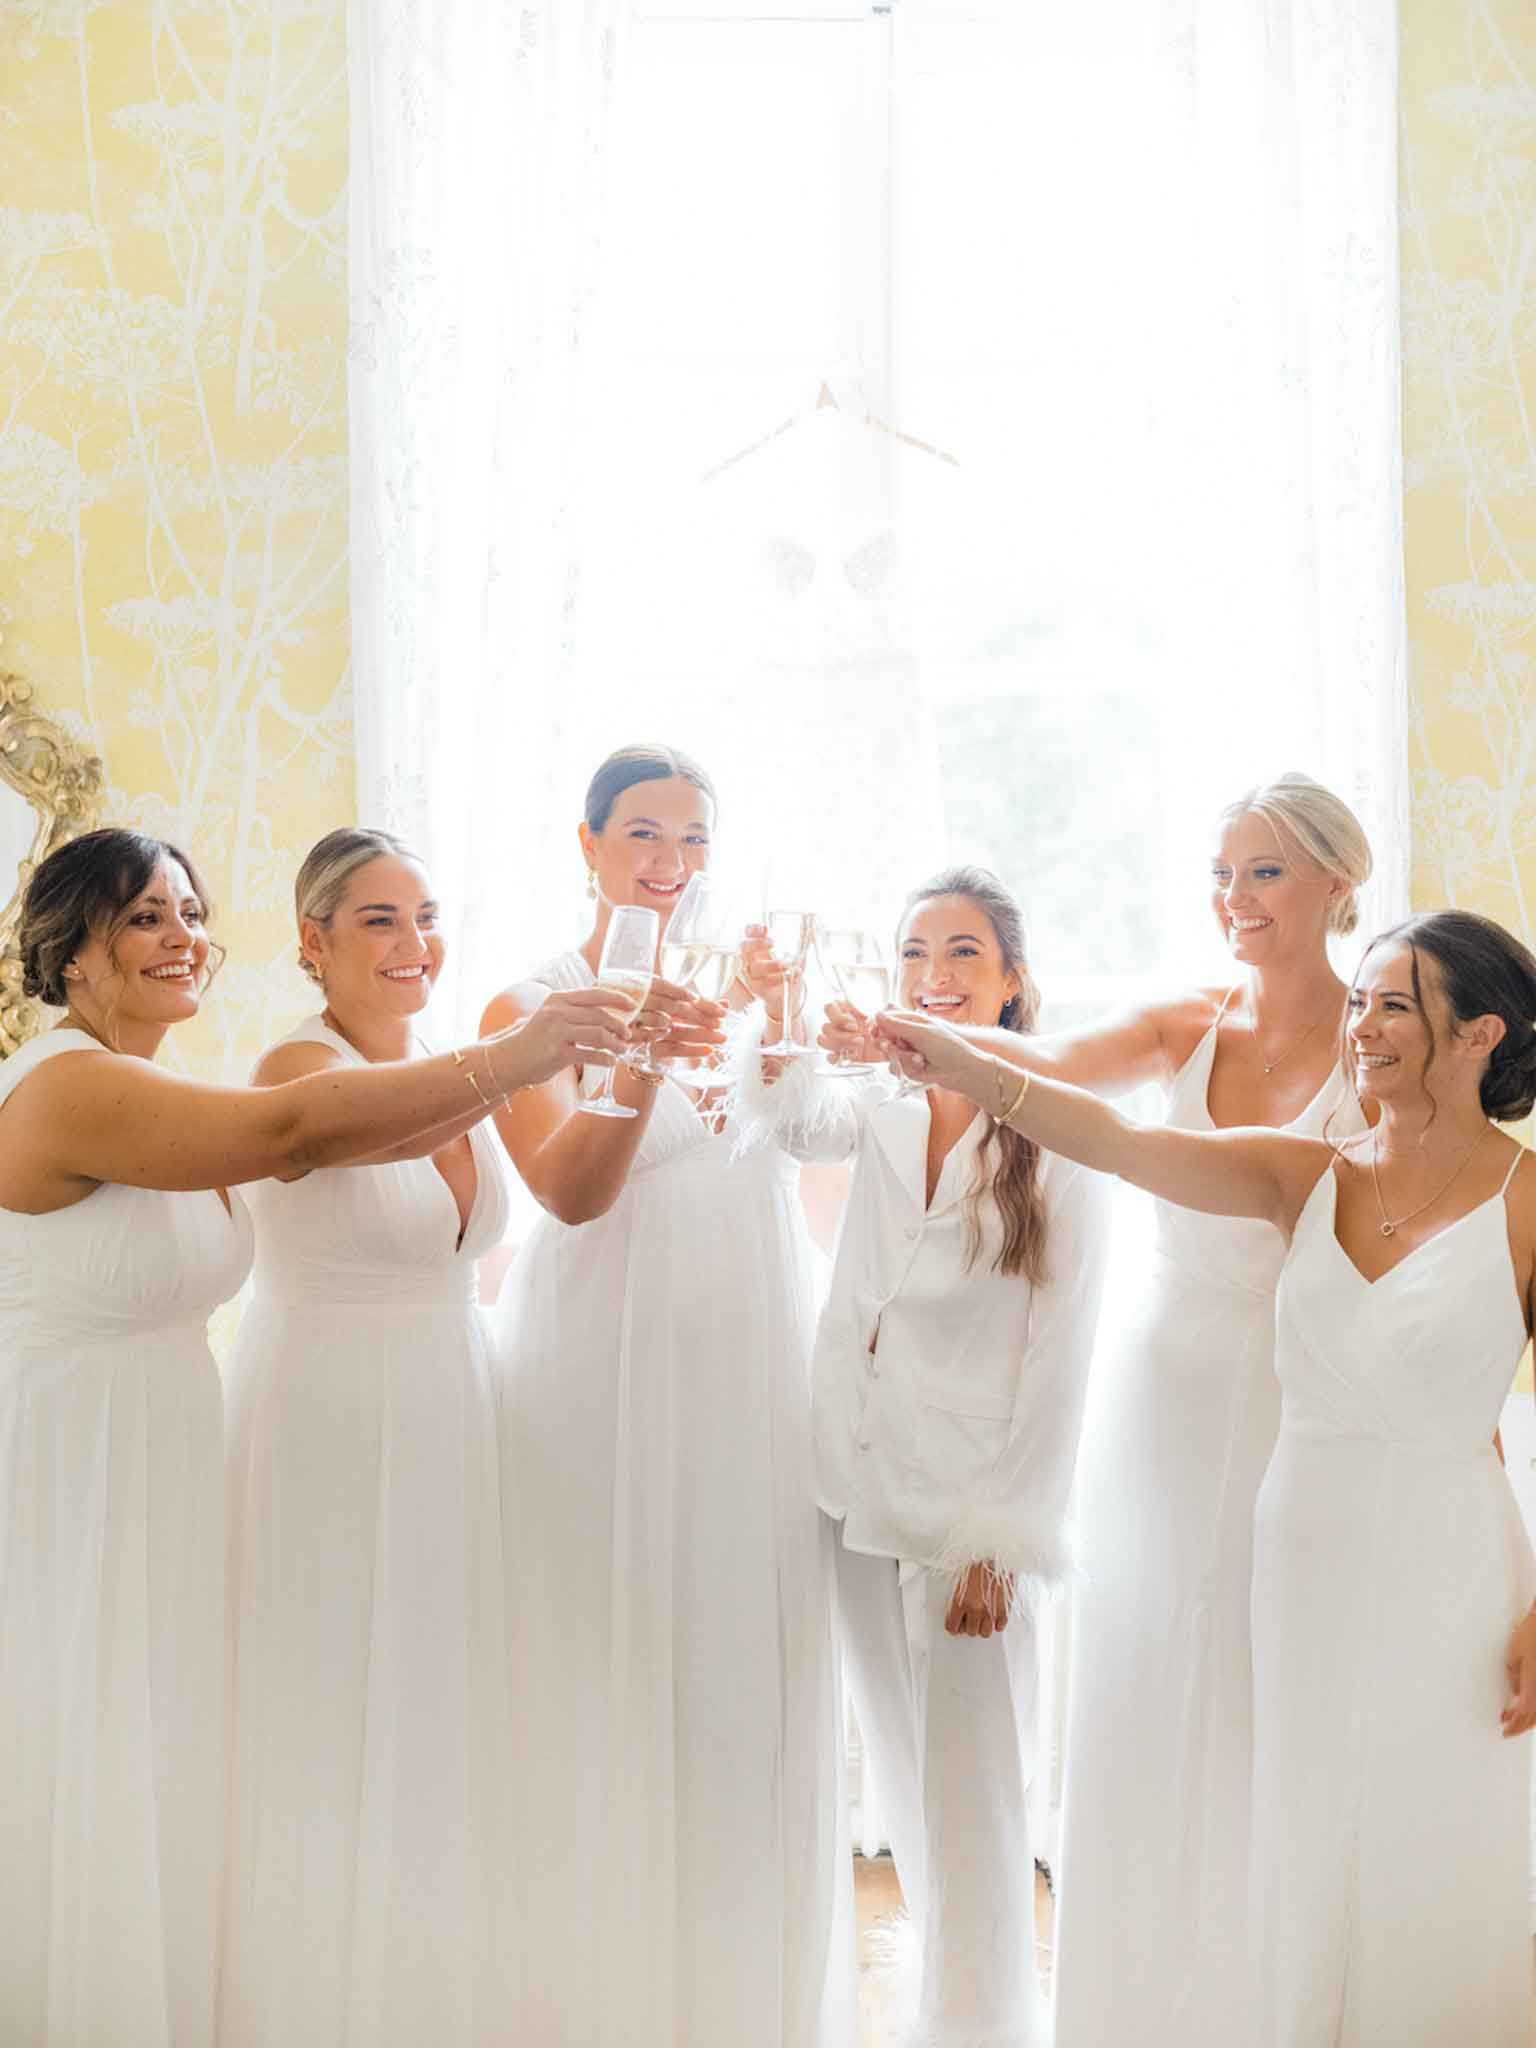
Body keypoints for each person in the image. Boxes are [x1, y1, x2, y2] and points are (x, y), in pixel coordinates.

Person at [0, 826, 632, 2048]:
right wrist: (520, 1051)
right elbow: (298, 1134)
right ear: (69, 951)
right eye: (144, 916)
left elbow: (369, 1135)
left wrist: (521, 1067)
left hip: (163, 1458)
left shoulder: (159, 1085)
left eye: (190, 909)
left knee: (171, 1772)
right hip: (77, 1469)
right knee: (95, 1765)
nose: (183, 935)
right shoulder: (65, 1081)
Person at [875, 906, 1536, 2047]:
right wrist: (966, 1060)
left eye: (1394, 1004)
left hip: (1454, 1569)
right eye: (1362, 997)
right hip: (1301, 1558)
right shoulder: (1302, 1174)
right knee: (1305, 1833)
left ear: (1481, 1034)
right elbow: (1120, 1141)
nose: (1360, 1025)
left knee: (1438, 1835)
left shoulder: (1528, 1203)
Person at [823, 772, 1372, 2042]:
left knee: (1269, 1692)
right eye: (1224, 872)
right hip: (1161, 1403)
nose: (1235, 898)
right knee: (1144, 1701)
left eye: (1267, 872)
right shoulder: (1190, 1019)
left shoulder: (1383, 1034)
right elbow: (1044, 1065)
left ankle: (1277, 1990)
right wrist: (912, 1033)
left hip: (1304, 1396)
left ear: (1342, 881)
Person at [483, 744, 854, 2048]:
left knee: (741, 1673)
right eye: (644, 832)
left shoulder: (740, 1004)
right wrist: (643, 1042)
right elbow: (569, 1192)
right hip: (597, 1366)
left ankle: (743, 2003)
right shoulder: (530, 1007)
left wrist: (785, 1012)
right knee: (606, 1657)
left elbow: (812, 1156)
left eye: (694, 839)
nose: (670, 861)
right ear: (585, 844)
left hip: (749, 1368)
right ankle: (600, 1999)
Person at [742, 866, 1107, 2046]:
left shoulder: (1061, 1127)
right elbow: (797, 1122)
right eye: (912, 954)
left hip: (966, 1519)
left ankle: (992, 2028)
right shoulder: (888, 1098)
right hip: (854, 1485)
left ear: (1011, 983)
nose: (931, 976)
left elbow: (1064, 1355)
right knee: (905, 1795)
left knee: (980, 1811)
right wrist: (785, 1004)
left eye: (960, 955)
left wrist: (1005, 1535)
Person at [220, 828, 569, 2045]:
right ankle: (311, 1993)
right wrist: (519, 1052)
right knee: (325, 1693)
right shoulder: (291, 1063)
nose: (416, 943)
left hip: (447, 1394)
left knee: (438, 1686)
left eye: (427, 915)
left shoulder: (444, 1058)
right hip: (327, 1400)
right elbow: (330, 1138)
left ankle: (427, 1983)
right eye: (379, 919)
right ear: (313, 939)